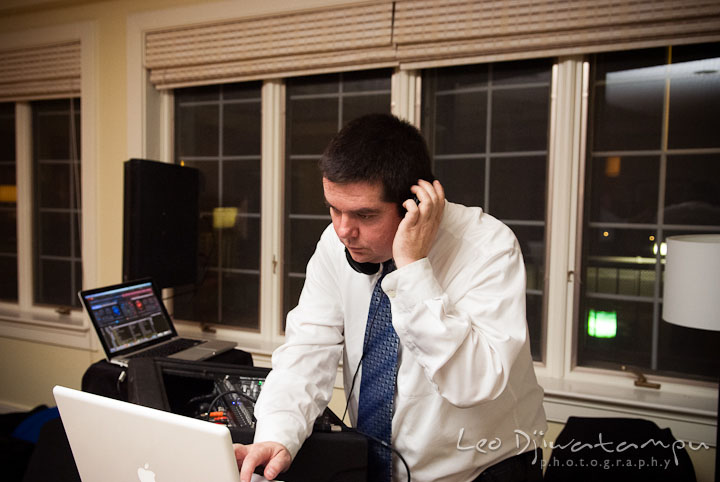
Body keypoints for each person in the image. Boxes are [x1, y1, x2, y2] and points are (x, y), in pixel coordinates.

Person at [235, 113, 547, 482]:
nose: (343, 231)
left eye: (364, 215)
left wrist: (412, 269)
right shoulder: (334, 245)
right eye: (334, 209)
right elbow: (307, 349)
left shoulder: (489, 247)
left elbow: (473, 383)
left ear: (413, 202)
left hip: (481, 472)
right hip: (376, 468)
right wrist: (278, 434)